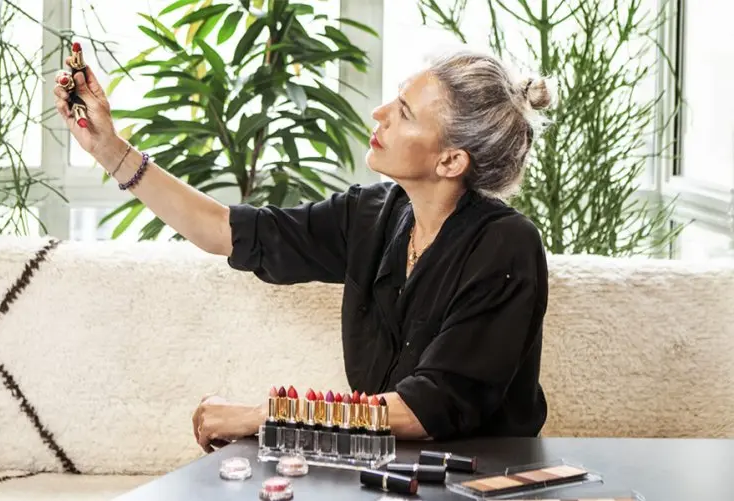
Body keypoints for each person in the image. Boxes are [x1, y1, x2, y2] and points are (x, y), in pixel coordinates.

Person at [53, 48, 554, 452]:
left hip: (481, 483)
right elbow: (225, 230)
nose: (379, 114)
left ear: (450, 161)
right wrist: (109, 149)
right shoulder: (371, 214)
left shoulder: (506, 246)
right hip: (383, 469)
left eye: (403, 113)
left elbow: (422, 412)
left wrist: (268, 417)